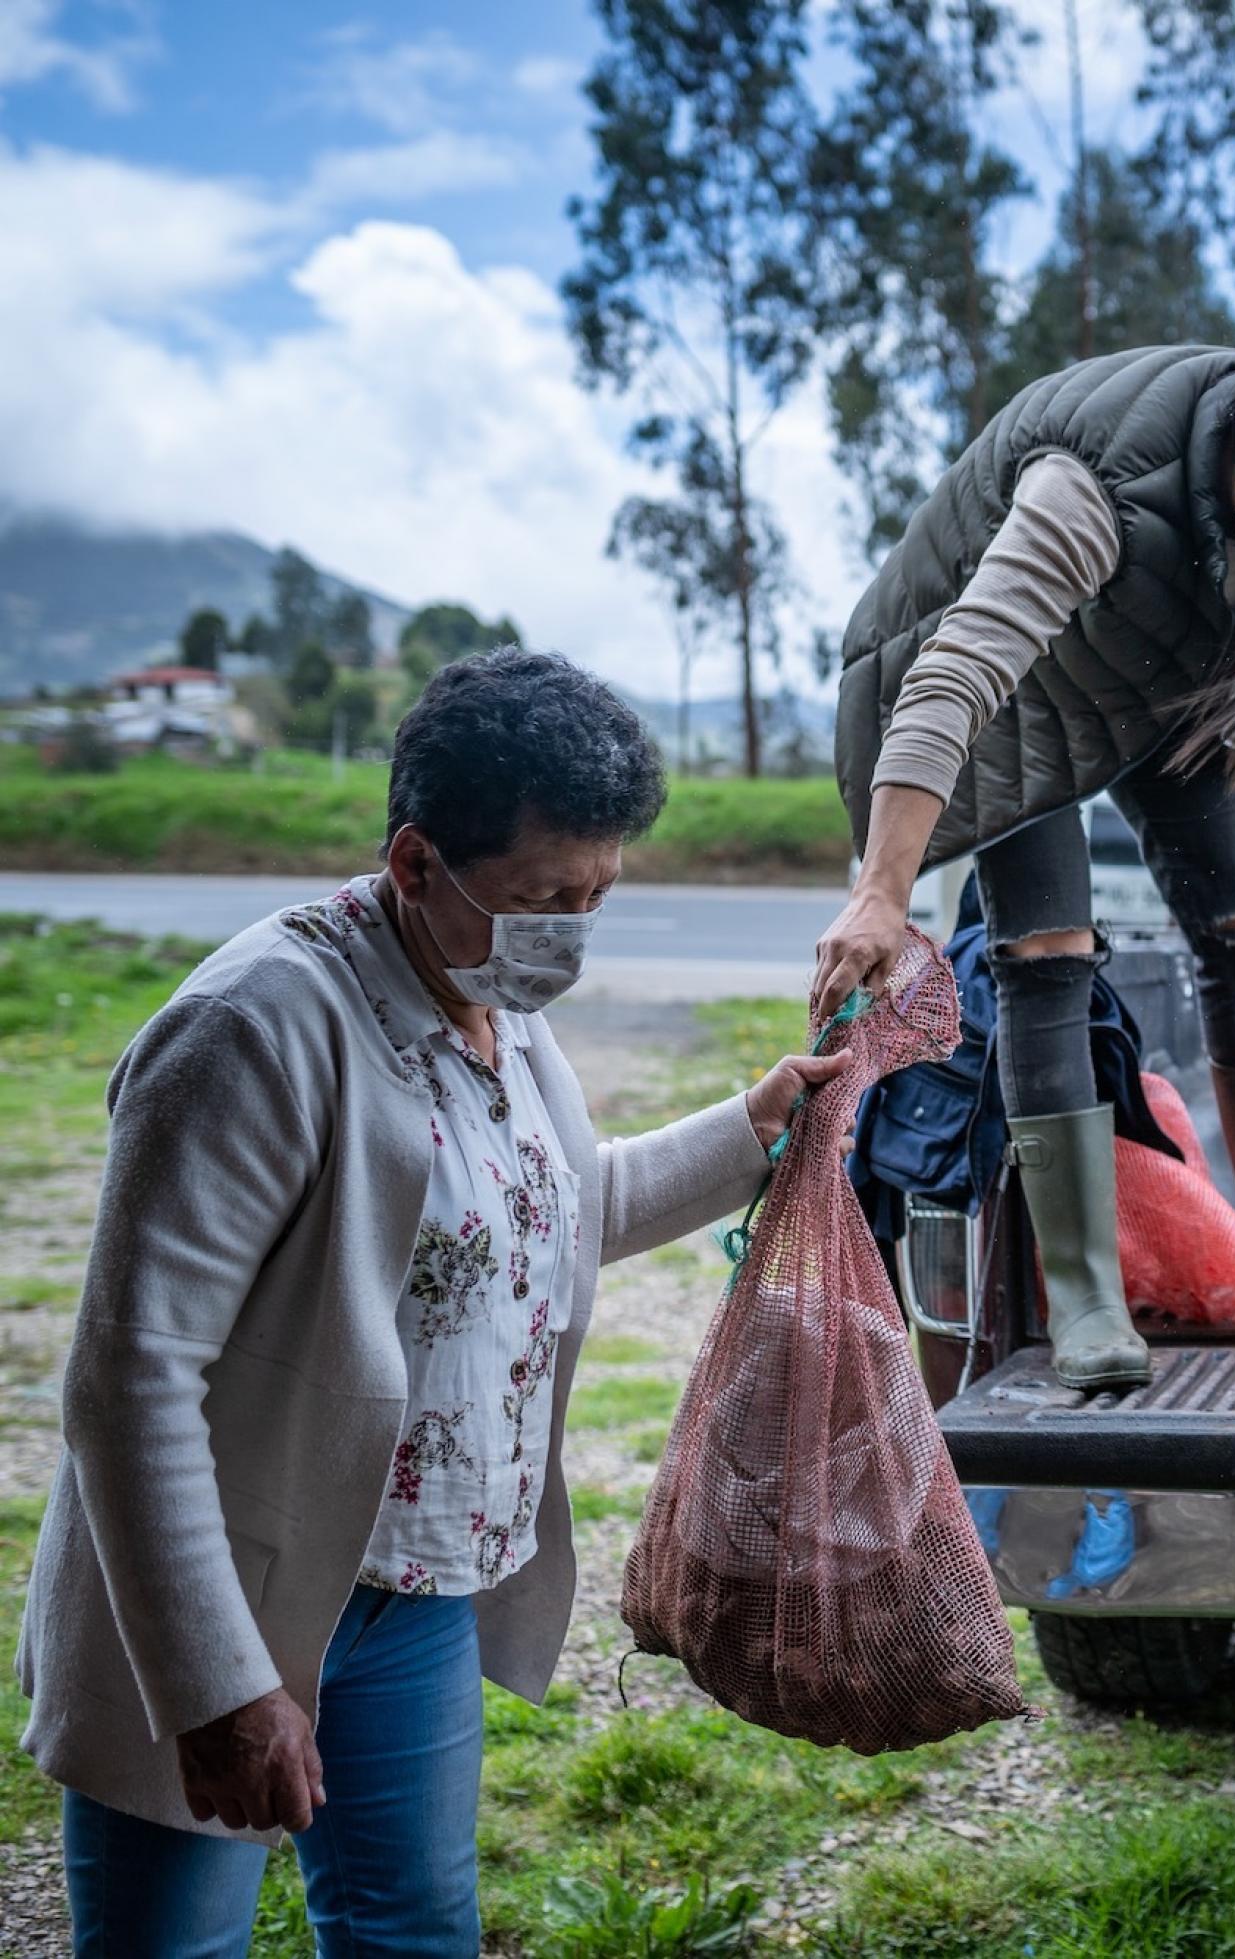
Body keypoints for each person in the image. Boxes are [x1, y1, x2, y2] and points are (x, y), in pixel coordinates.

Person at [22, 650, 851, 1955]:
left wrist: (755, 1125)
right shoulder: (252, 1029)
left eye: (595, 895)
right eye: (541, 897)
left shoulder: (491, 994)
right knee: (171, 1943)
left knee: (413, 1927)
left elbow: (538, 1216)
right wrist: (221, 1687)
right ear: (415, 861)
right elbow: (125, 1384)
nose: (567, 933)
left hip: (409, 1581)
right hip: (219, 1588)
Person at [814, 316, 1235, 1390]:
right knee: (1048, 953)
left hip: (1157, 679)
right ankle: (1087, 1297)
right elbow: (954, 676)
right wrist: (882, 893)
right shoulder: (1093, 492)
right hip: (1001, 692)